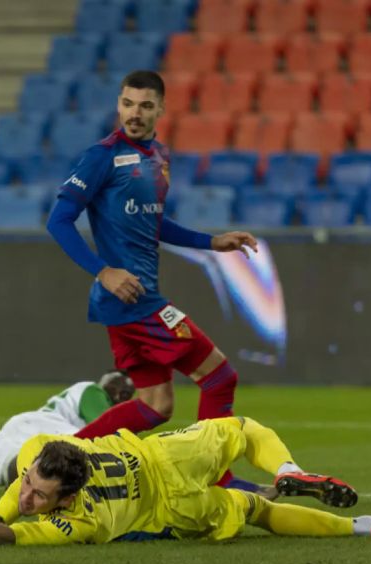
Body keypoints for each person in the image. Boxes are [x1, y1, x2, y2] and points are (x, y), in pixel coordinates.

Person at [45, 71, 258, 488]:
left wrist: (213, 242)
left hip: (134, 301)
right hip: (134, 302)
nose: (134, 113)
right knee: (219, 377)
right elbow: (59, 221)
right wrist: (103, 271)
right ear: (118, 104)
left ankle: (60, 461)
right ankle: (217, 478)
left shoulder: (158, 156)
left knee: (156, 405)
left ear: (161, 108)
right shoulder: (101, 156)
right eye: (127, 103)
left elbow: (154, 225)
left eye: (145, 105)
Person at [0, 417, 371, 545]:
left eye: (41, 495)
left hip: (173, 509)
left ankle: (362, 525)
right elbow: (17, 498)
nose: (27, 496)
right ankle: (287, 471)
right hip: (166, 454)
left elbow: (8, 535)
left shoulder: (80, 523)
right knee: (245, 430)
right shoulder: (45, 449)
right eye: (28, 484)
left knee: (256, 512)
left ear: (67, 497)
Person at [0, 371, 136, 486]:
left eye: (127, 394)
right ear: (105, 383)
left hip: (7, 440)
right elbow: (111, 431)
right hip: (44, 425)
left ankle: (30, 479)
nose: (121, 395)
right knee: (83, 456)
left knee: (9, 471)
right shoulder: (91, 389)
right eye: (120, 388)